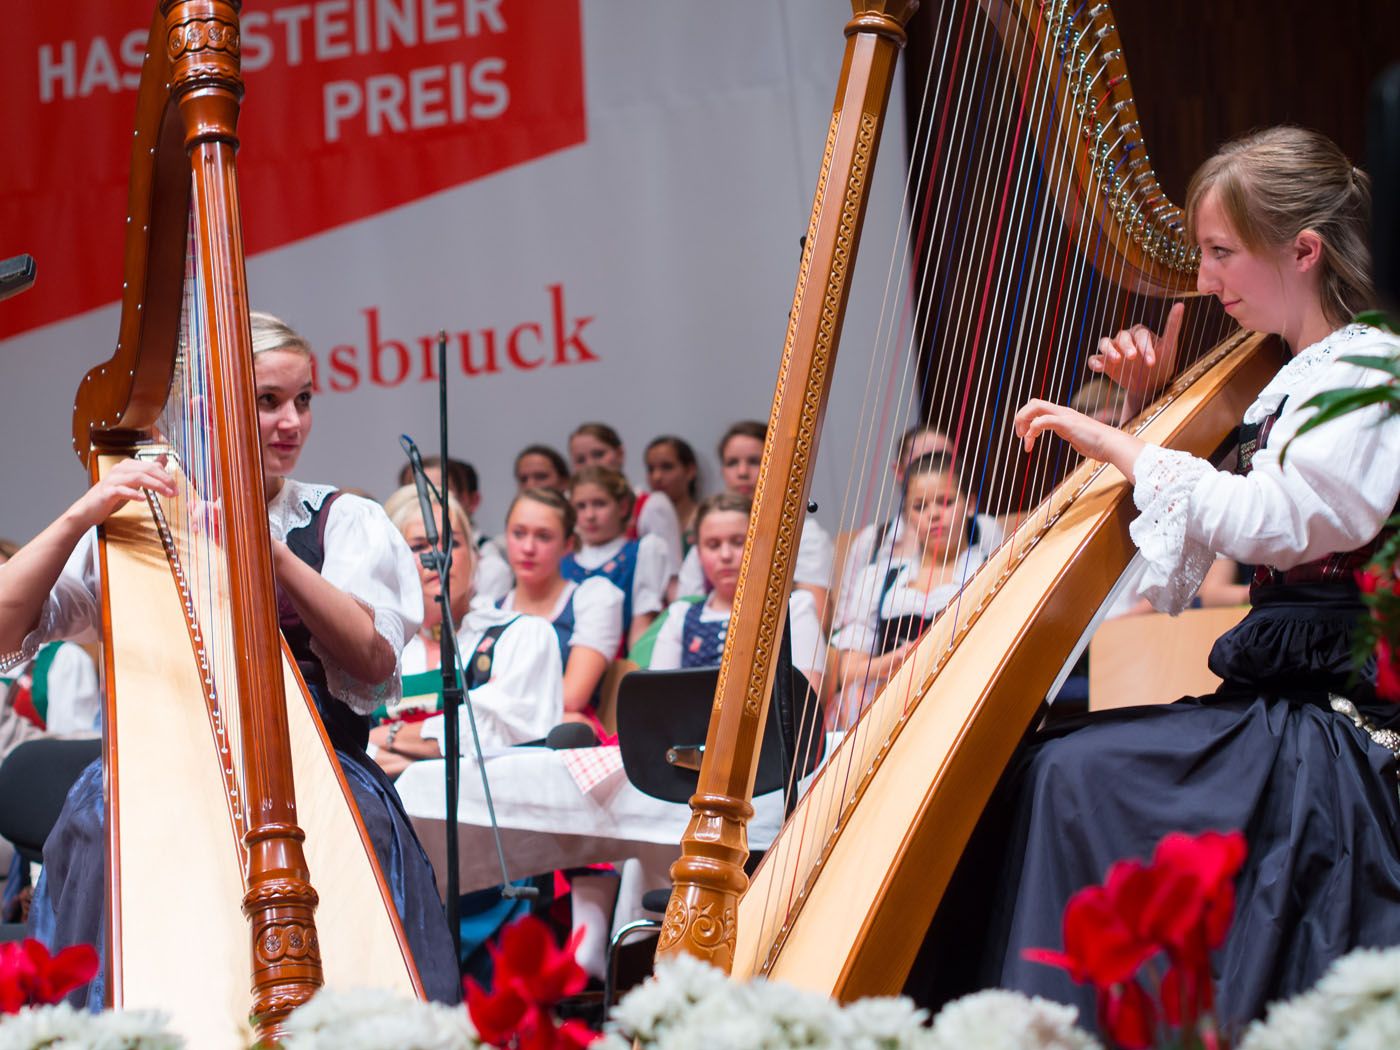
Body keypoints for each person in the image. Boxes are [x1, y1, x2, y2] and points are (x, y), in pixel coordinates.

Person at [929, 127, 1400, 1029]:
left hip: (1346, 715)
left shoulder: (1369, 367)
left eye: (1222, 253)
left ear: (1303, 251)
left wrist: (1126, 446)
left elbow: (1293, 520)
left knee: (1069, 775)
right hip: (1286, 695)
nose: (1205, 278)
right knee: (1043, 764)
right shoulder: (1287, 373)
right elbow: (1165, 580)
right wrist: (1151, 425)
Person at [0, 312, 459, 1004]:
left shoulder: (341, 521)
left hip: (319, 778)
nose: (292, 423)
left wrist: (267, 551)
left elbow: (371, 659)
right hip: (164, 782)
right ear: (205, 411)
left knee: (344, 843)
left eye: (303, 400)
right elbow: (8, 622)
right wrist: (79, 516)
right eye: (268, 401)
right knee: (101, 820)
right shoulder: (141, 519)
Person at [369, 488, 563, 779]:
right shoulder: (378, 645)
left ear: (474, 557)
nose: (438, 556)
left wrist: (389, 737)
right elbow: (344, 743)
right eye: (419, 546)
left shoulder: (521, 635)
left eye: (453, 543)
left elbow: (493, 734)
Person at [832, 453, 986, 723]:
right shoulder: (878, 580)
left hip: (967, 711)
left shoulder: (990, 569)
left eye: (946, 502)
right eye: (919, 506)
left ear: (970, 504)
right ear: (907, 516)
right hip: (894, 719)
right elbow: (848, 670)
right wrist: (894, 661)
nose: (934, 514)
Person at [831, 425, 1004, 636]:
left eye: (942, 459)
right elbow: (844, 631)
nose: (931, 469)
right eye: (920, 506)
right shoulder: (872, 545)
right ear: (900, 472)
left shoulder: (983, 530)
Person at [650, 493, 826, 695]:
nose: (725, 555)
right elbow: (658, 698)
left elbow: (806, 702)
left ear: (762, 545)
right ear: (698, 553)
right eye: (713, 545)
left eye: (738, 542)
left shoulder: (794, 609)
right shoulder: (680, 616)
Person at [675, 421, 835, 622]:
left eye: (754, 461)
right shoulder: (709, 536)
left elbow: (817, 617)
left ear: (777, 465)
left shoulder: (804, 533)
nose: (742, 472)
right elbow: (684, 616)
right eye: (732, 463)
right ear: (723, 472)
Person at [498, 487, 624, 727]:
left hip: (564, 744)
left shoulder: (593, 599)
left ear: (568, 544)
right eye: (518, 533)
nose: (528, 548)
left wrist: (497, 707)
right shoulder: (489, 609)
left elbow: (572, 697)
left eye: (544, 536)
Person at [564, 466, 671, 649]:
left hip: (619, 666)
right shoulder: (564, 561)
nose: (590, 515)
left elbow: (642, 627)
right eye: (580, 506)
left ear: (622, 507)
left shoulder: (641, 552)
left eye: (599, 504)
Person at [568, 423, 683, 576]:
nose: (591, 464)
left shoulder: (651, 505)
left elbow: (671, 573)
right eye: (581, 460)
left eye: (598, 454)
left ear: (620, 454)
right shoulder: (568, 508)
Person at [396, 456, 512, 603]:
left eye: (437, 493)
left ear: (465, 500)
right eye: (417, 494)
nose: (428, 503)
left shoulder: (490, 567)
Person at [644, 435, 701, 554]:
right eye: (651, 469)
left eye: (667, 467)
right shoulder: (642, 522)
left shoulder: (705, 518)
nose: (657, 477)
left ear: (690, 470)